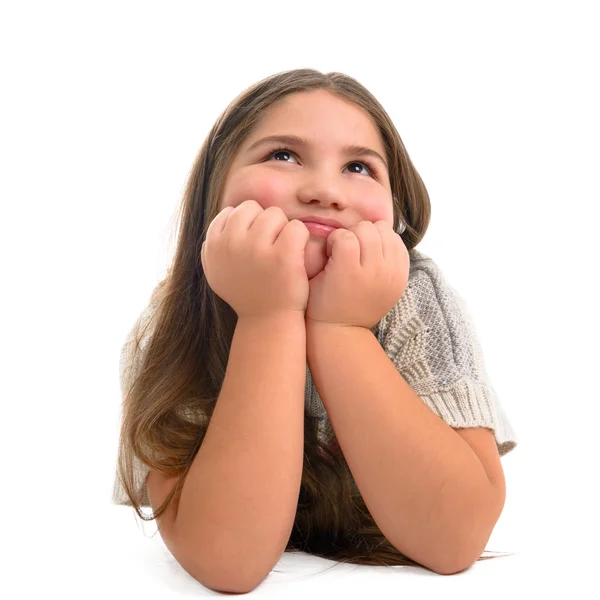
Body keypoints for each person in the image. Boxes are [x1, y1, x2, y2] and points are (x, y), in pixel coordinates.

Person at [112, 68, 519, 591]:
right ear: (215, 189)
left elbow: (455, 540)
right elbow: (226, 561)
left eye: (358, 166)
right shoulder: (174, 319)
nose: (326, 191)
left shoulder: (418, 301)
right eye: (282, 155)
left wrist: (341, 328)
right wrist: (267, 317)